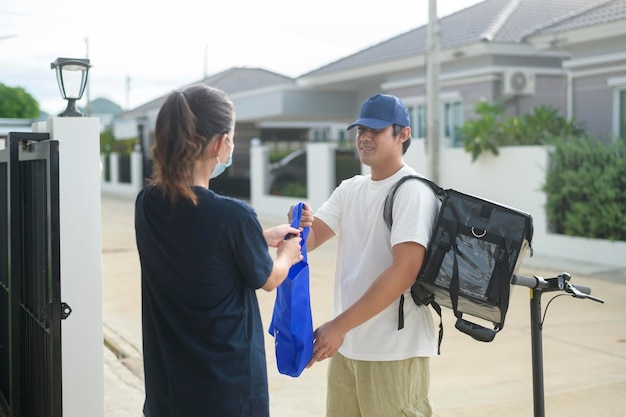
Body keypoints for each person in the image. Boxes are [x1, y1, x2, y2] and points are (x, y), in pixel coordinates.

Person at [134, 84, 303, 417]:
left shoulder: (147, 203)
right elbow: (268, 279)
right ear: (220, 144)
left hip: (167, 392)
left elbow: (200, 247)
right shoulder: (233, 216)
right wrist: (287, 254)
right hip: (227, 393)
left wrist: (259, 236)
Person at [294, 93, 440, 416]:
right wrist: (297, 226)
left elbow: (404, 272)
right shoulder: (350, 189)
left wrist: (339, 326)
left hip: (393, 353)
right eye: (361, 130)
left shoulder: (413, 191)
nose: (364, 137)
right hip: (348, 350)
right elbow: (314, 235)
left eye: (376, 130)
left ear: (403, 134)